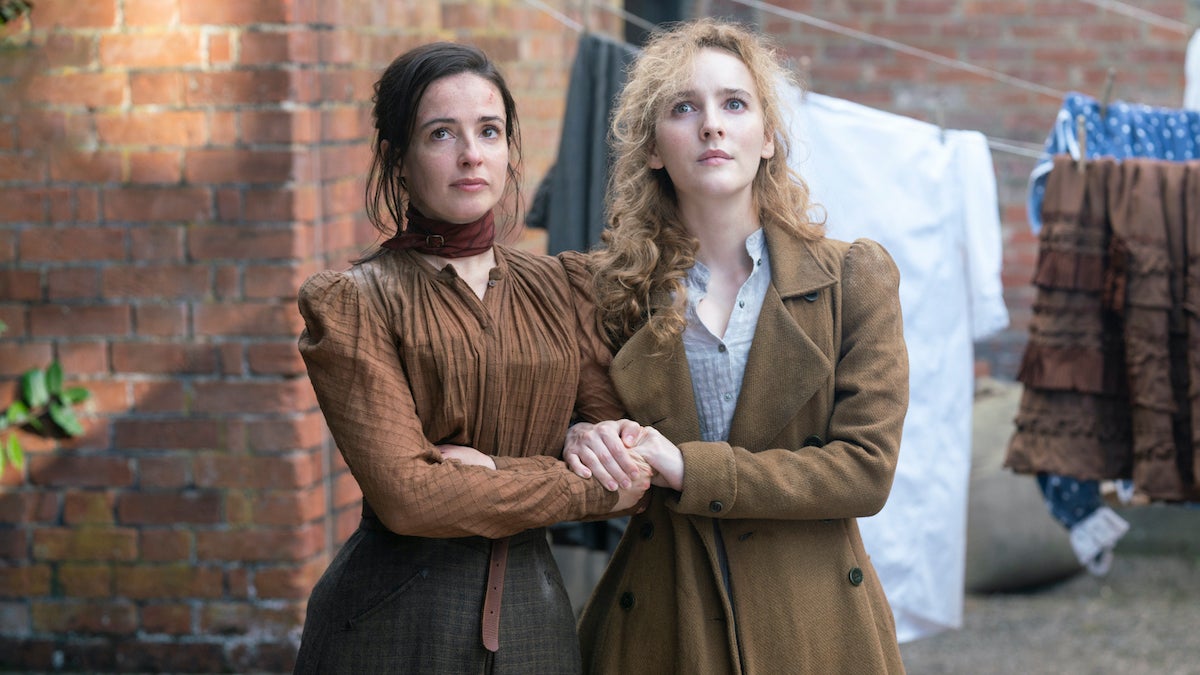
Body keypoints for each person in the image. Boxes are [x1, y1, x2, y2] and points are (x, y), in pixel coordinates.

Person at [564, 19, 910, 674]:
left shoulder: (853, 277)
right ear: (653, 148)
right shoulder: (607, 291)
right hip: (665, 619)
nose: (711, 126)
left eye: (734, 104)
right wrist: (579, 436)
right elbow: (575, 427)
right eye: (683, 108)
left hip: (814, 624)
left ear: (768, 136)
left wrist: (691, 469)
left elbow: (866, 470)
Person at [292, 42, 648, 674]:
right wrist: (572, 477)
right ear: (398, 160)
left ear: (509, 149)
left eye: (489, 131)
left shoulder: (565, 289)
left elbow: (634, 473)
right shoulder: (353, 303)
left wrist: (502, 466)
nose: (471, 155)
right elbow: (410, 498)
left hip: (537, 630)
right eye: (441, 134)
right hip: (394, 631)